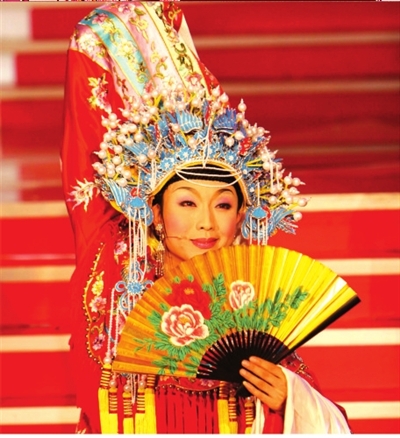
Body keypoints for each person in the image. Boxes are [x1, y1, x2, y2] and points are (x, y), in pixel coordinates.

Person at [61, 2, 351, 434]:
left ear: (241, 215)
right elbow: (88, 117)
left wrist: (288, 396)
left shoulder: (249, 298)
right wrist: (133, 29)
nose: (207, 224)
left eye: (223, 205)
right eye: (187, 203)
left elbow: (331, 422)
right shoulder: (114, 263)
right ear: (154, 212)